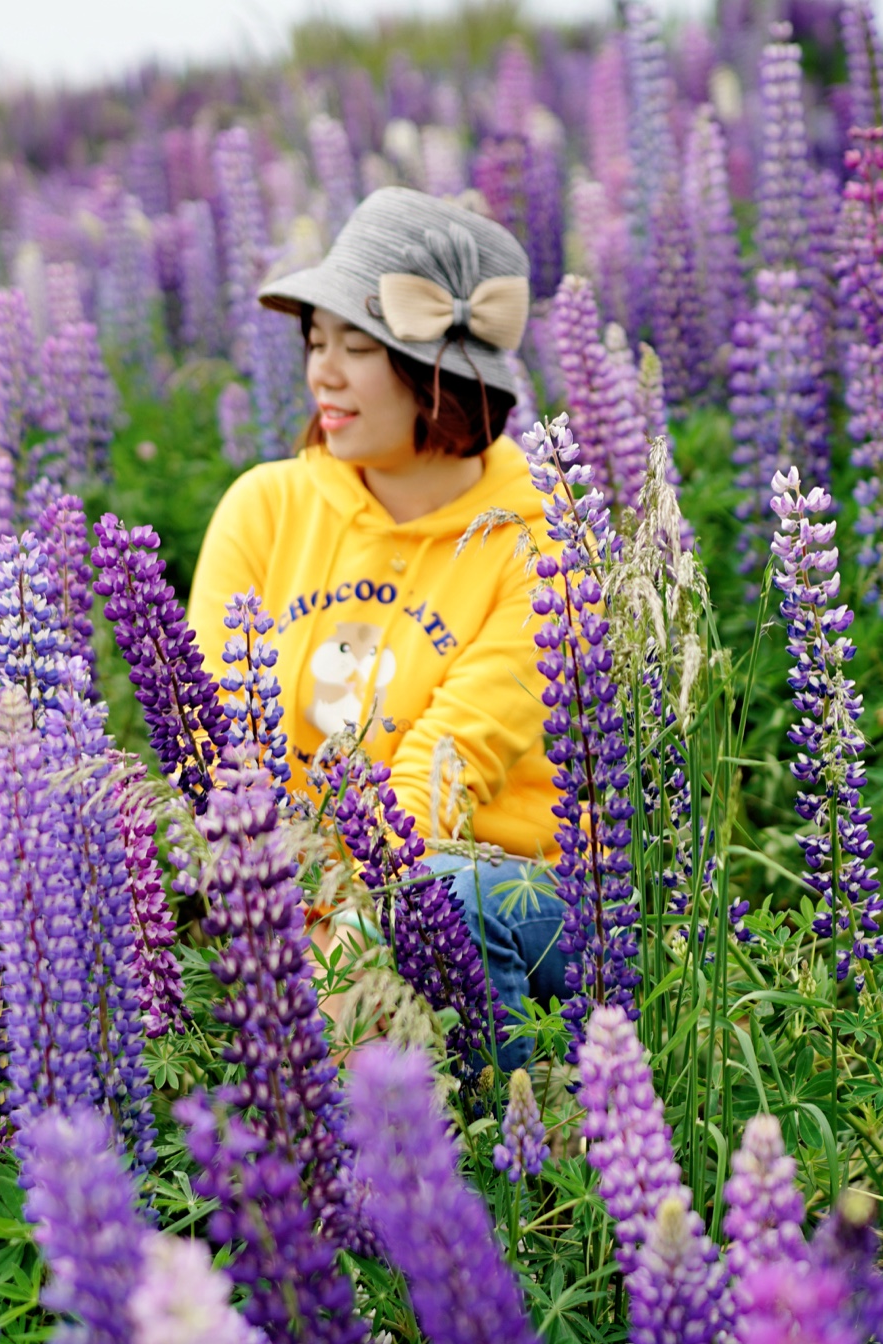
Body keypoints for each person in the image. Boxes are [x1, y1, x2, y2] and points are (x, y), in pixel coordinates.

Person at [187, 186, 570, 1073]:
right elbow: (210, 746)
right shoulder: (264, 509)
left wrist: (350, 930)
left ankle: (512, 1166)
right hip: (291, 900)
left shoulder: (542, 531)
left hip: (514, 891)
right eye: (316, 342)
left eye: (357, 347)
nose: (322, 372)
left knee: (444, 894)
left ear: (437, 376)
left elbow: (450, 762)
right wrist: (292, 917)